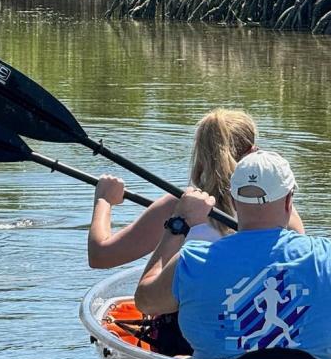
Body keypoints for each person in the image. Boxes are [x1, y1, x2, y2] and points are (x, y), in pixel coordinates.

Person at [134, 149, 331, 359]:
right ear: (289, 200)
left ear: (232, 201)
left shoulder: (192, 260)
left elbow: (146, 302)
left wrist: (178, 224)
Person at [88, 109, 304, 269]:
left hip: (190, 325)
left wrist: (104, 200)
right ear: (254, 152)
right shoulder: (283, 207)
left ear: (200, 155)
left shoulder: (177, 208)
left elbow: (100, 256)